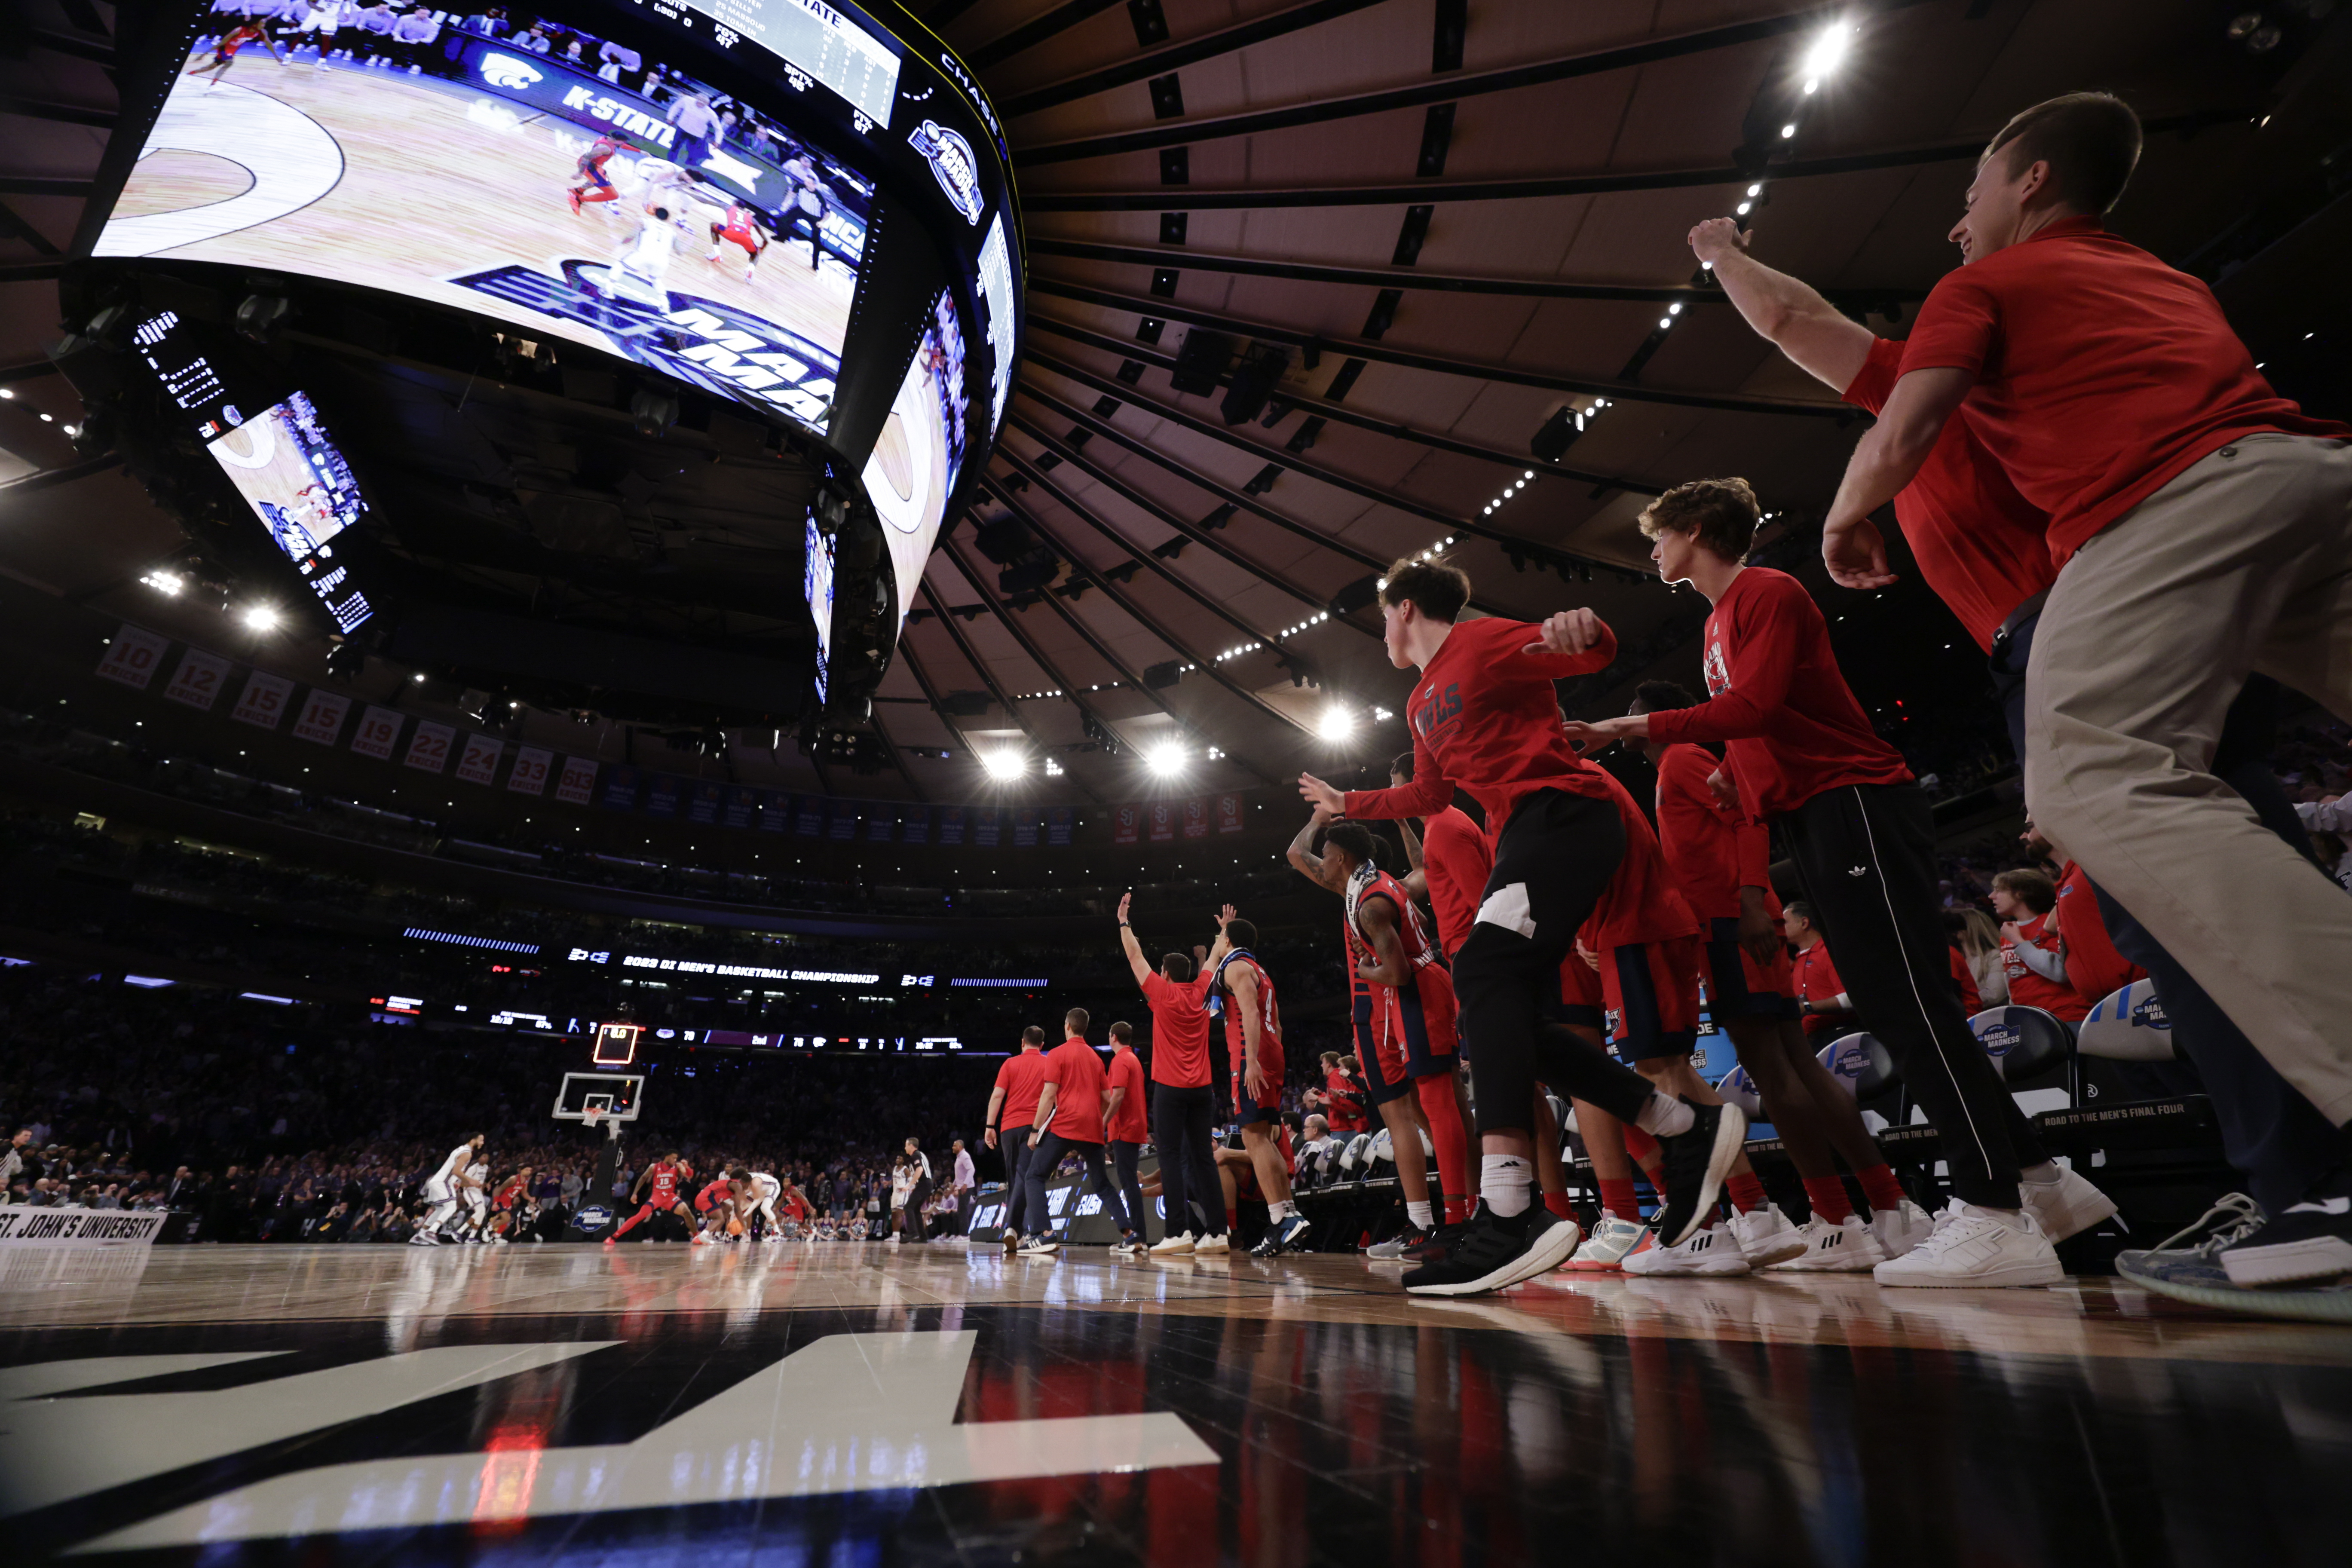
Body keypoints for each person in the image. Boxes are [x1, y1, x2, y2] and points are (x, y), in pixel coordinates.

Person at [1690, 191, 2350, 1291]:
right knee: (2231, 878)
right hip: (2151, 611)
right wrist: (1727, 267)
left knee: (2175, 919)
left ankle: (2308, 1189)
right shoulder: (1994, 372)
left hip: (2084, 623)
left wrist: (1717, 255)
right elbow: (1799, 324)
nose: (1953, 231)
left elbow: (1796, 325)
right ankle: (2297, 1180)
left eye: (1968, 212)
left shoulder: (1971, 370)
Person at [1563, 478, 2112, 1286]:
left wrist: (1632, 723)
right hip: (1816, 811)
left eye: (1658, 533)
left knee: (1909, 1004)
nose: (1650, 549)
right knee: (1897, 1005)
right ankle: (2044, 1185)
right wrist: (1737, 786)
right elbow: (1763, 730)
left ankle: (1991, 1208)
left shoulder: (1767, 590)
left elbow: (1753, 705)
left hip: (1855, 800)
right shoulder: (1718, 619)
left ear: (1697, 530)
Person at [1301, 558, 1745, 1296]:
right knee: (1495, 1007)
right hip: (1523, 835)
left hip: (1566, 814)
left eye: (1383, 615)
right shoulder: (1418, 704)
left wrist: (1589, 630)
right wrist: (1347, 799)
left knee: (1482, 976)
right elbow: (1429, 791)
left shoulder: (1480, 643)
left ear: (1404, 608)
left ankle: (1511, 1208)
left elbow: (1588, 649)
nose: (1382, 629)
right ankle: (1675, 1126)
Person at [1623, 681, 1926, 1270]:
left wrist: (1748, 900)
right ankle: (1883, 1208)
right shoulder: (1678, 768)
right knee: (1795, 1066)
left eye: (1636, 717)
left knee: (1775, 1070)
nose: (1630, 726)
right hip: (1732, 921)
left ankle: (1839, 1217)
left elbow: (1748, 822)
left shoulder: (1684, 758)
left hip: (1732, 924)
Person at [1285, 812, 1451, 1245]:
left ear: (1340, 858)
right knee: (1429, 1114)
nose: (1322, 859)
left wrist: (1318, 818)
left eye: (1327, 853)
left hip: (1381, 1006)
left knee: (1409, 1117)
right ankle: (1451, 1212)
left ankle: (1429, 1222)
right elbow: (1425, 870)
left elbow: (1294, 855)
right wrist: (1400, 822)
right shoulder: (1383, 883)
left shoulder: (1367, 897)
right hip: (1409, 997)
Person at [1118, 894, 1231, 1256]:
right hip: (1203, 1090)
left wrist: (1124, 922)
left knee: (1169, 1155)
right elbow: (1215, 959)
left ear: (1165, 974)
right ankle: (1217, 1233)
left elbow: (1135, 957)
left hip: (1170, 1088)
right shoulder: (1201, 993)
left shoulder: (1161, 994)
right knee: (1202, 1159)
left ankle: (1179, 1232)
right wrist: (1224, 932)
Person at [1208, 915, 1311, 1257]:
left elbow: (1250, 1014)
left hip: (1251, 1055)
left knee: (1253, 1136)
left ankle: (1281, 1216)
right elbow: (1277, 1024)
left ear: (1228, 941)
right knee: (1263, 1136)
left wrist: (1251, 1061)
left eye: (1220, 935)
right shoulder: (1258, 969)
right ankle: (1288, 1215)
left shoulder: (1236, 968)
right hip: (1272, 1050)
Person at [1018, 1010, 1138, 1256]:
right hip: (1092, 1127)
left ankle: (1045, 1234)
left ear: (1067, 1026)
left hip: (1064, 1125)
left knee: (1034, 1176)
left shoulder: (1057, 1054)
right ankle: (1130, 1235)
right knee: (1103, 1184)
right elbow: (1107, 1098)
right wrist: (1098, 1120)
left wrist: (1035, 1130)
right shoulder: (1096, 1058)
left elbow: (1049, 1095)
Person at [1989, 869, 2089, 1024]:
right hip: (2028, 1020)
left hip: (2067, 1016)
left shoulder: (2051, 924)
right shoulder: (2008, 933)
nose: (1992, 896)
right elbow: (2014, 981)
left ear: (2020, 893)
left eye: (1999, 891)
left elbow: (2059, 972)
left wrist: (2019, 941)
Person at [983, 1026, 1049, 1252]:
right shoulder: (1048, 1063)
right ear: (1042, 1045)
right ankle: (1012, 1227)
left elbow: (997, 1095)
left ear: (1023, 1042)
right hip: (1033, 1127)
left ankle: (1016, 1232)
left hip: (1008, 1128)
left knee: (1015, 1178)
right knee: (1024, 1176)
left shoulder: (1009, 1064)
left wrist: (990, 1125)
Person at [1103, 1022, 1151, 1256]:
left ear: (1113, 1037)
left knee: (1129, 1183)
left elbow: (1118, 1096)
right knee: (1130, 1182)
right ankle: (1138, 1235)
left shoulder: (1120, 1061)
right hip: (1135, 1126)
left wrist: (1103, 1121)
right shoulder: (1133, 1060)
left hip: (1124, 1128)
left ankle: (1137, 1237)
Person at [1784, 903, 1853, 1042]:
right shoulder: (1798, 963)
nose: (1778, 928)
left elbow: (1852, 999)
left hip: (1841, 1037)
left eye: (1784, 922)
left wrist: (1807, 1008)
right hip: (1812, 1041)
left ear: (1804, 923)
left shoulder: (1828, 953)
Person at [410, 1133, 482, 1246]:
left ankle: (420, 1235)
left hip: (436, 1181)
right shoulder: (467, 1154)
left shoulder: (460, 1149)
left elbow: (453, 1170)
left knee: (440, 1210)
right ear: (473, 1140)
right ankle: (432, 1232)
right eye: (481, 1140)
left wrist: (457, 1182)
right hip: (443, 1182)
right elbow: (456, 1171)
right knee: (452, 1207)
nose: (483, 1143)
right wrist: (471, 1181)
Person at [606, 1149, 691, 1243]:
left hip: (670, 1196)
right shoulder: (655, 1167)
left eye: (676, 1158)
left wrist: (687, 1168)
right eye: (674, 1158)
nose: (675, 1160)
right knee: (641, 1216)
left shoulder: (677, 1166)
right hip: (657, 1196)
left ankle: (694, 1236)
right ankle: (614, 1237)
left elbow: (688, 1175)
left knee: (685, 1214)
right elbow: (644, 1179)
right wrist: (635, 1193)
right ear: (667, 1157)